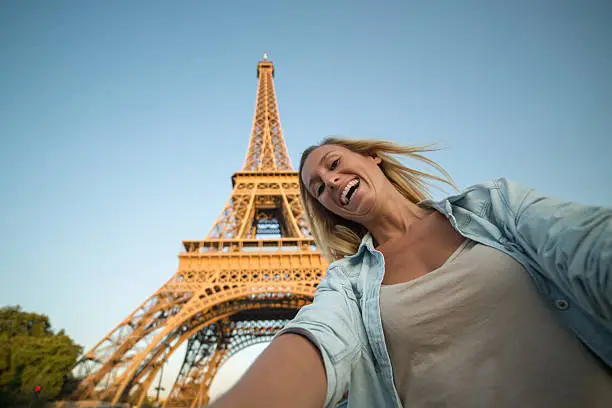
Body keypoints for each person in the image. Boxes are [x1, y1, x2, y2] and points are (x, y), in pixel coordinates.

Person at [212, 137, 612, 408]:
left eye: (334, 165)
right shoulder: (347, 282)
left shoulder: (495, 207)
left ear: (373, 157)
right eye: (318, 189)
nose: (331, 182)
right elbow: (320, 339)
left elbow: (584, 243)